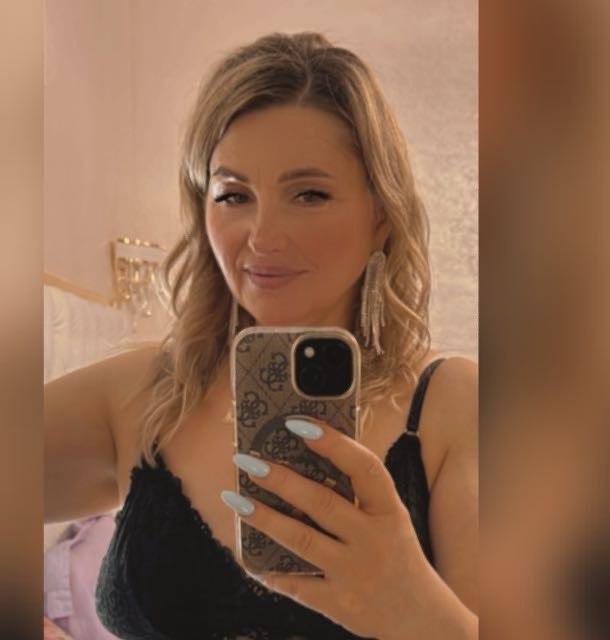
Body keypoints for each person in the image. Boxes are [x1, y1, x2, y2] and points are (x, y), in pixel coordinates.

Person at [45, 31, 478, 640]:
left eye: (309, 194)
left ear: (381, 215)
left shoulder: (452, 408)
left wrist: (416, 611)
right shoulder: (145, 393)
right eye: (233, 195)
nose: (263, 235)